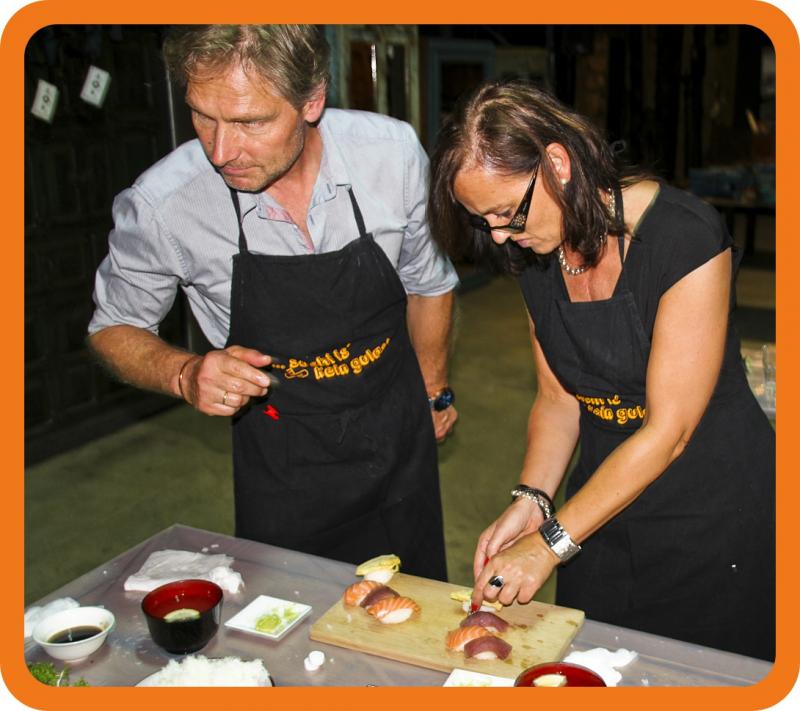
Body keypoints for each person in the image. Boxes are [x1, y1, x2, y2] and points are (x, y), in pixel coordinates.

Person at [88, 25, 459, 581]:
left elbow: (428, 283)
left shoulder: (391, 156)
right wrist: (184, 374)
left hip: (399, 436)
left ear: (312, 101)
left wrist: (433, 390)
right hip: (286, 463)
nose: (220, 151)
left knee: (418, 609)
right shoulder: (164, 206)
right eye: (202, 116)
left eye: (250, 122)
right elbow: (112, 327)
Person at [428, 79, 774, 659]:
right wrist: (534, 499)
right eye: (483, 221)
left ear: (558, 165)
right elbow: (559, 398)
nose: (501, 235)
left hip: (712, 510)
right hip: (599, 504)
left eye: (506, 213)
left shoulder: (683, 238)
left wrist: (549, 543)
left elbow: (669, 431)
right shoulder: (536, 248)